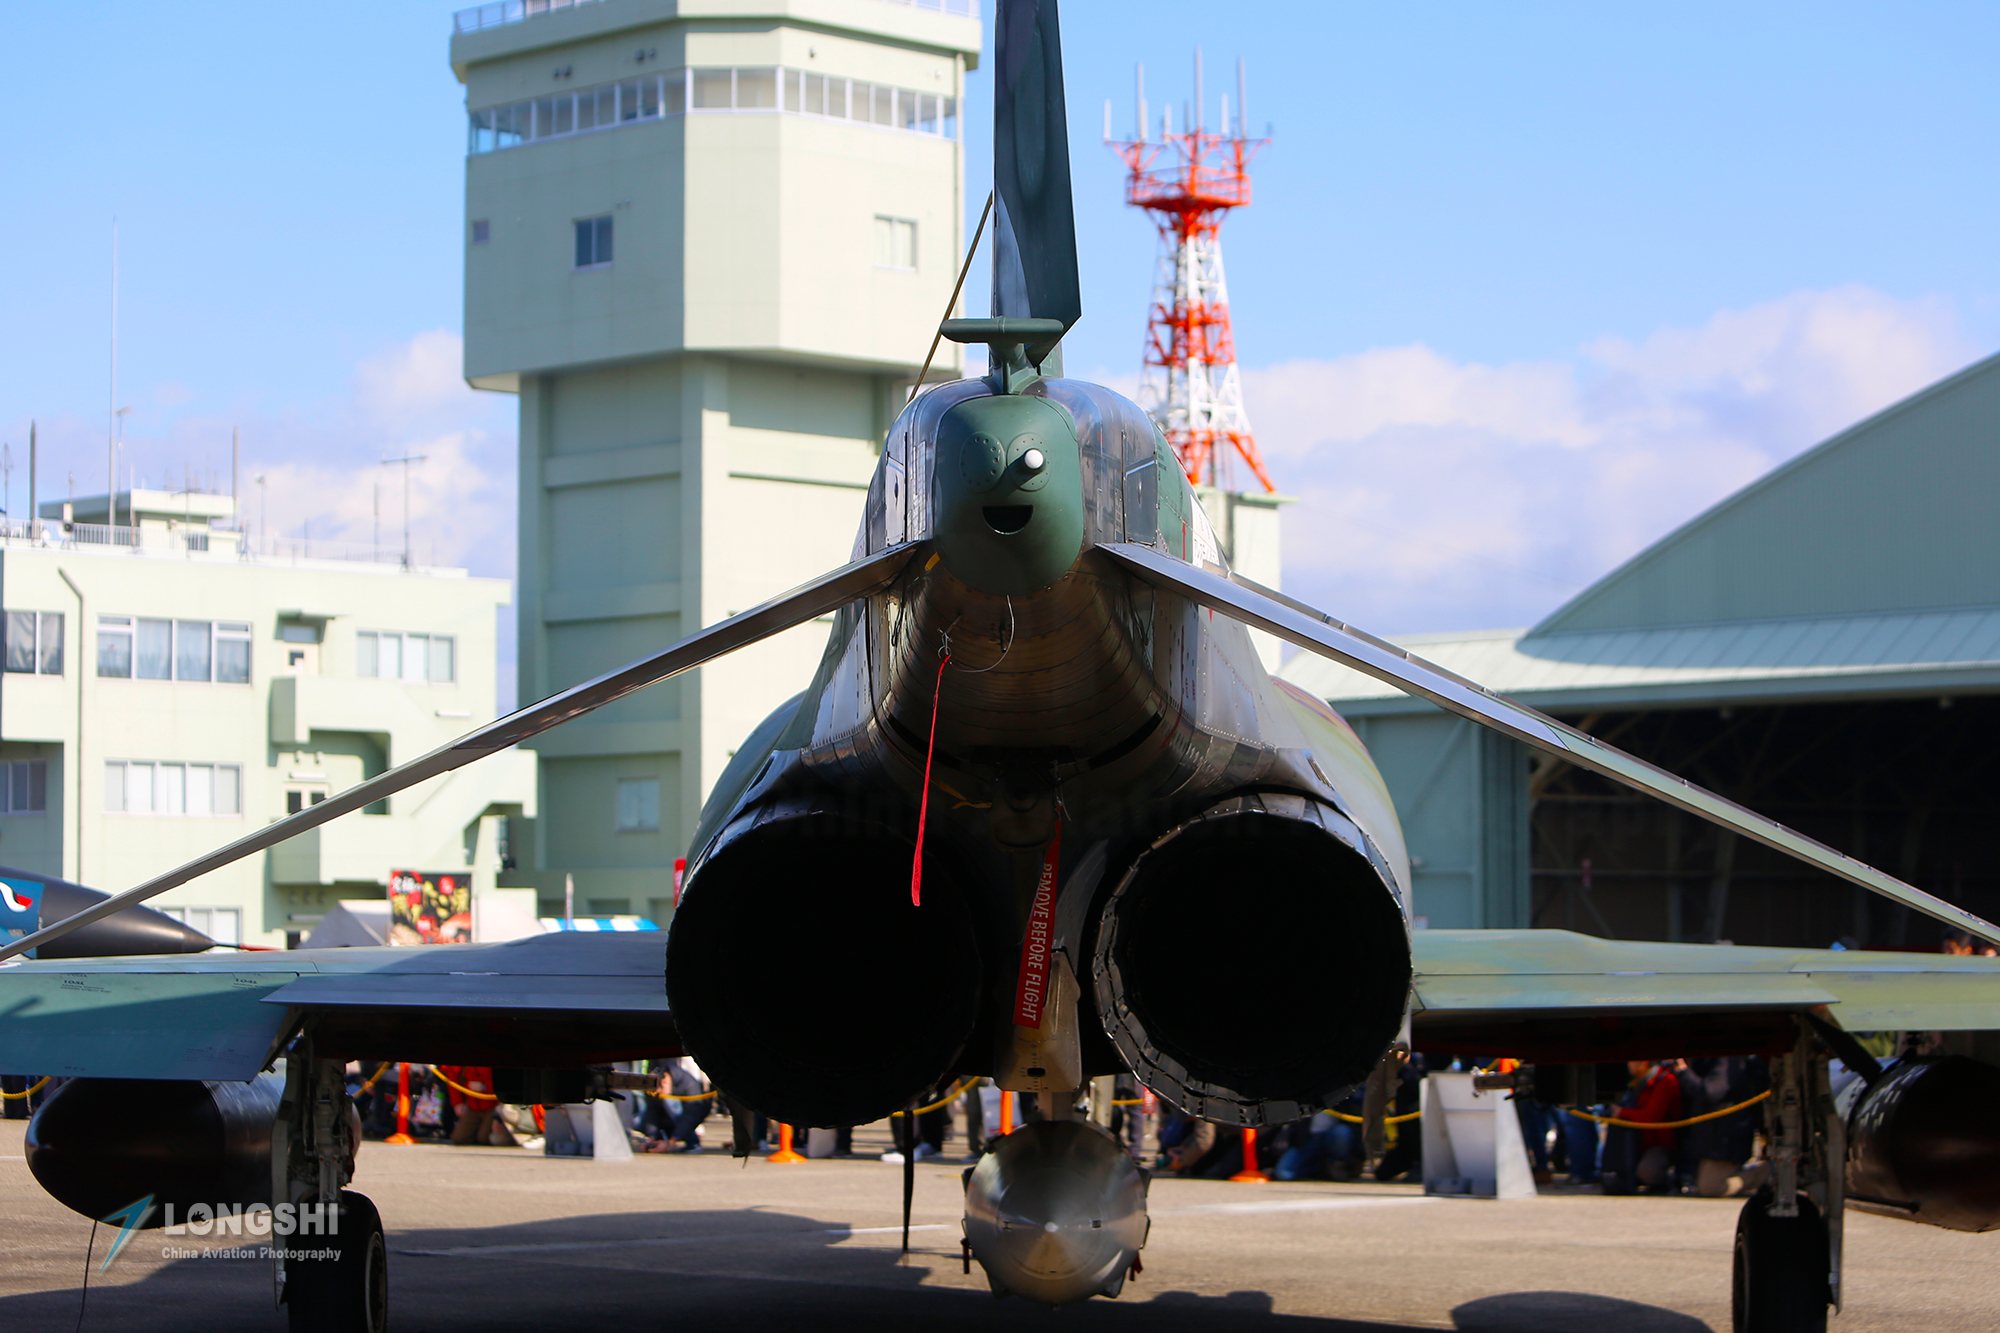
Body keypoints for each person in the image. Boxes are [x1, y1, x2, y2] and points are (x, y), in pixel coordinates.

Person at [1682, 1056, 1769, 1197]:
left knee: (1710, 1187)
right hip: (1706, 1139)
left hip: (1724, 1139)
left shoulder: (1728, 1059)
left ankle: (1766, 1173)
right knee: (1703, 1183)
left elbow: (1712, 1091)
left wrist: (1683, 1072)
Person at [1602, 1059, 1681, 1194]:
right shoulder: (1637, 1081)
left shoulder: (1665, 1080)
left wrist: (1622, 1112)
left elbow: (1652, 1117)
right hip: (1637, 1140)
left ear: (1644, 1063)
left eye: (1632, 1061)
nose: (1628, 1064)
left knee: (1647, 1172)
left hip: (1659, 1143)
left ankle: (1666, 1179)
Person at [441, 1066, 512, 1146]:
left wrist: (485, 1086)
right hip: (472, 1106)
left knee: (484, 1138)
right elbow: (452, 1075)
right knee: (459, 1138)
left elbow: (505, 1081)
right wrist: (457, 1102)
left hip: (492, 1106)